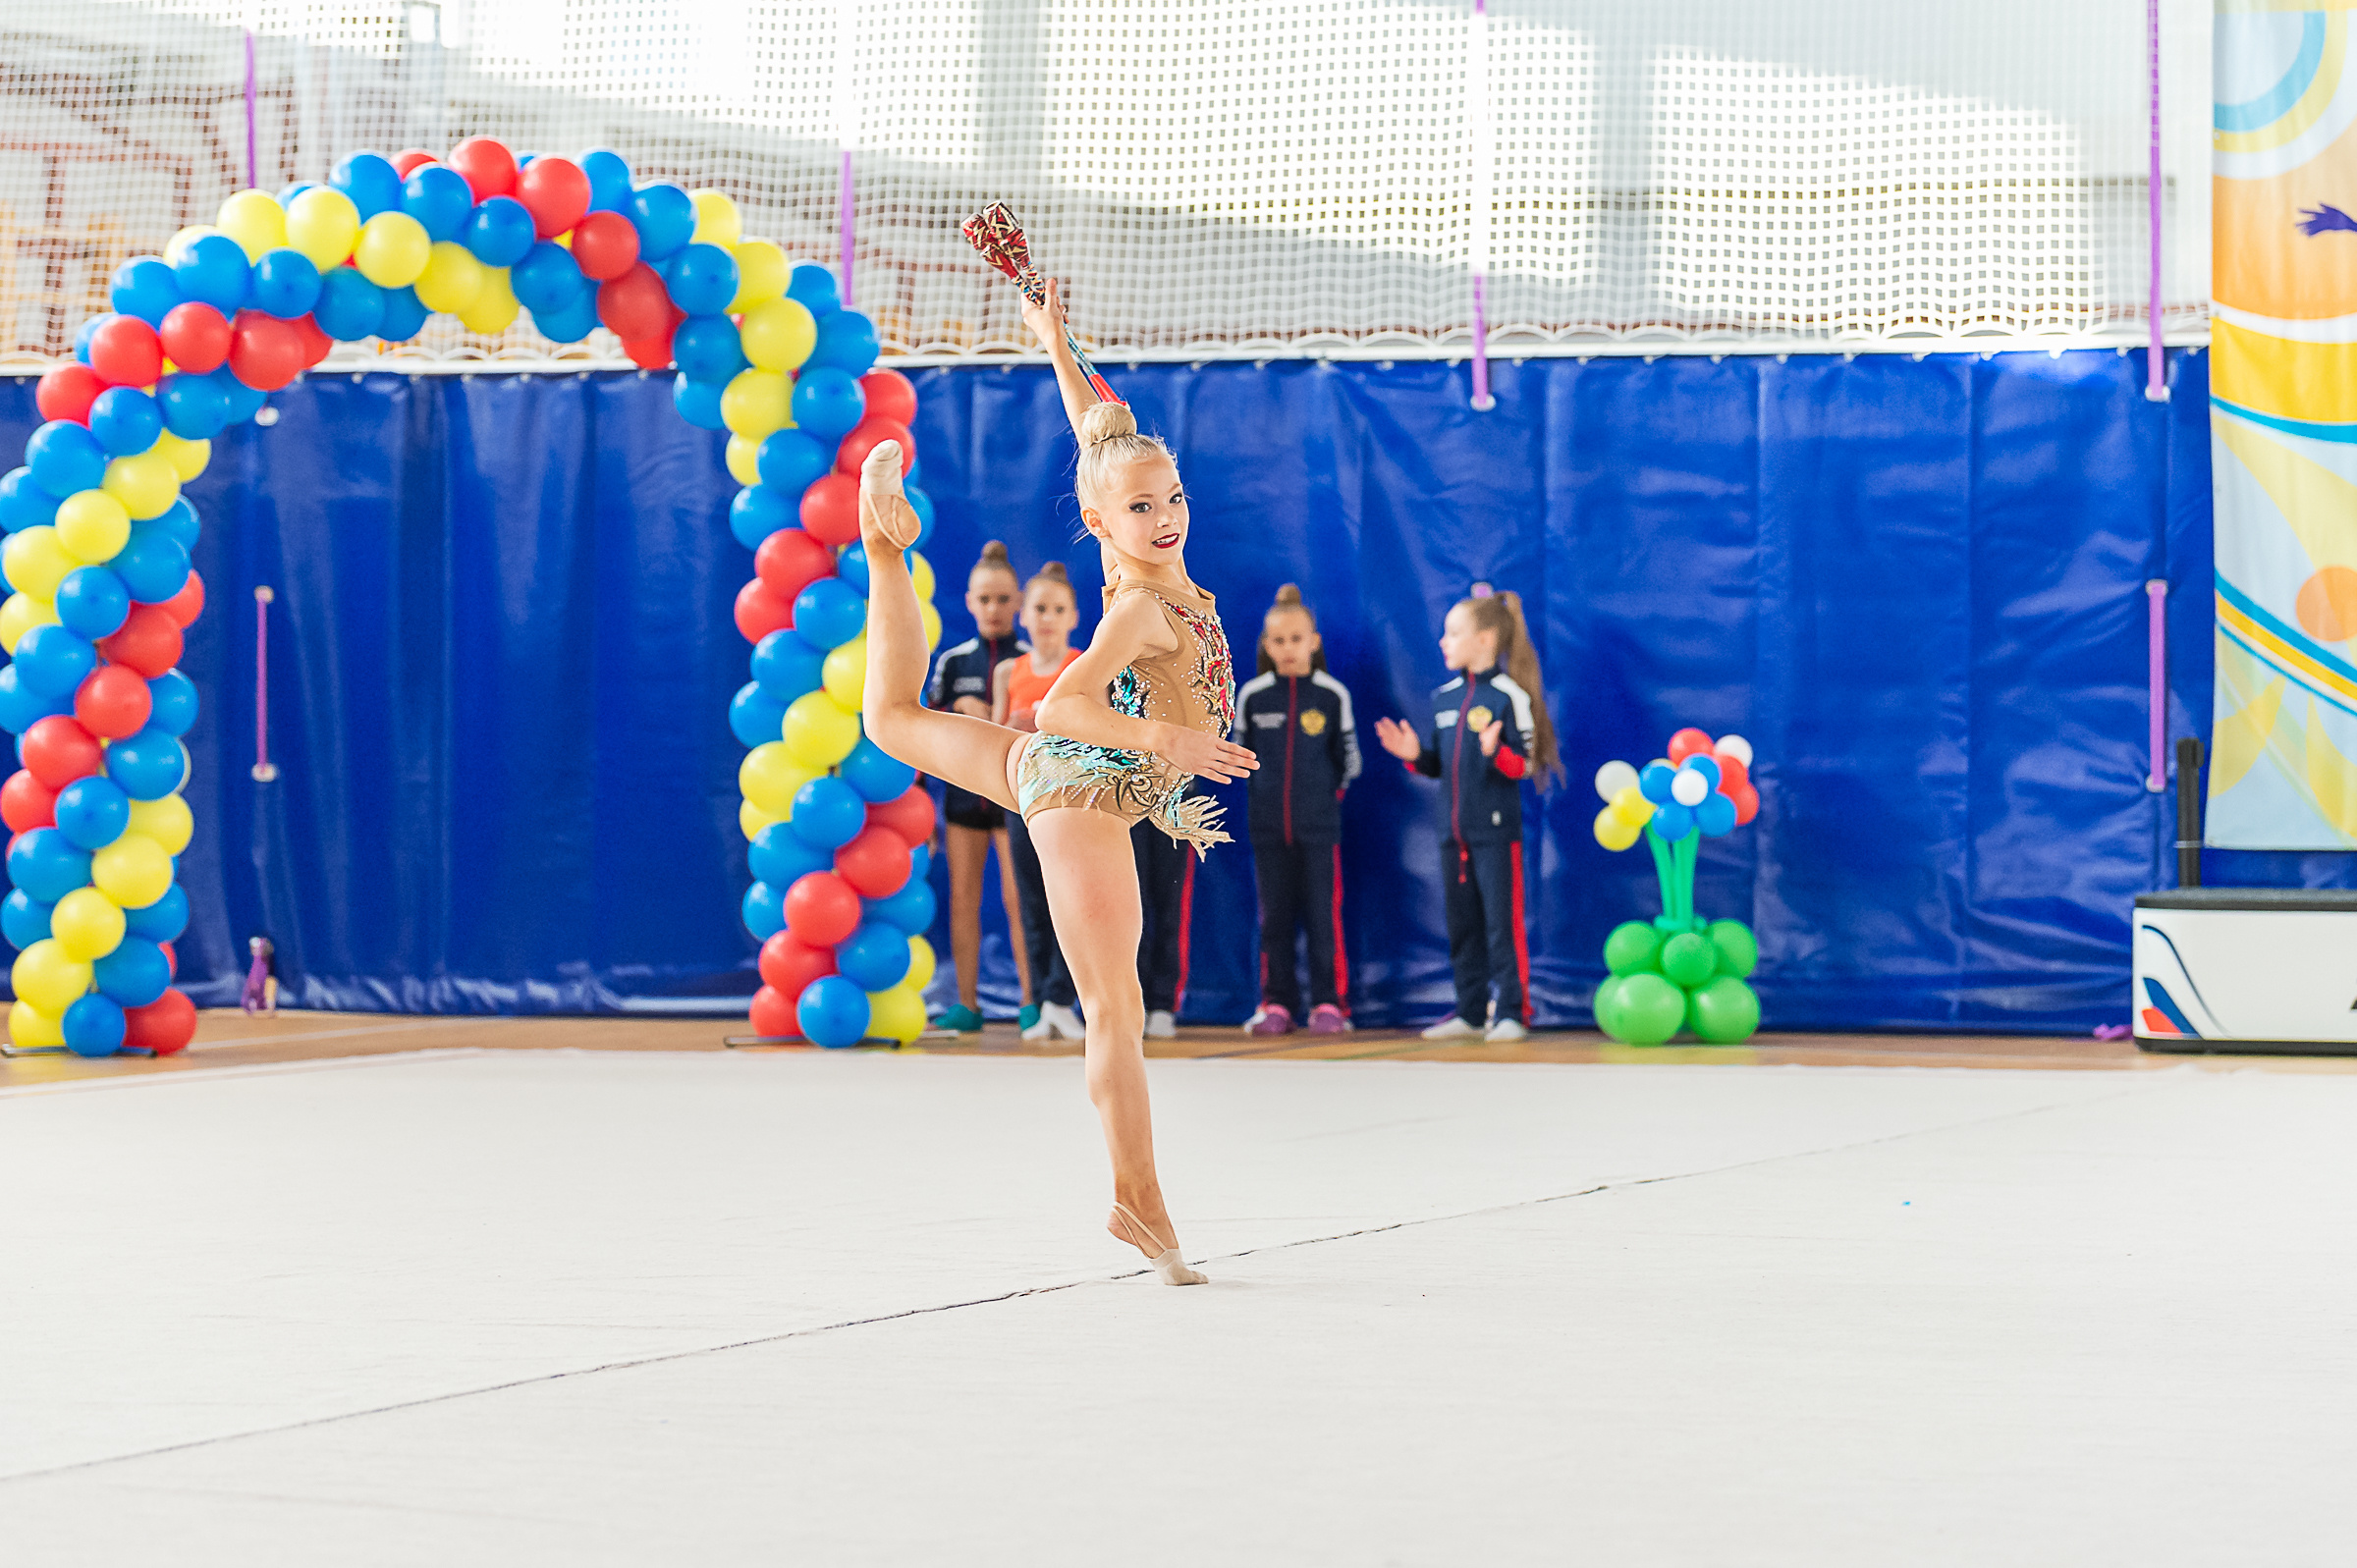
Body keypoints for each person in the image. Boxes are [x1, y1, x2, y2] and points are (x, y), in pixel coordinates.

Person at [855, 276, 1256, 1285]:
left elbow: (1096, 433)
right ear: (1097, 517)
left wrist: (1051, 334)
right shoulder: (1136, 612)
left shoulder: (1140, 570)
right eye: (1140, 506)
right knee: (1113, 1006)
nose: (1164, 515)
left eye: (1172, 497)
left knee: (890, 718)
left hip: (1062, 776)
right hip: (1081, 787)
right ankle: (1139, 1199)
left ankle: (882, 550)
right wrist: (1165, 746)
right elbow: (1062, 707)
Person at [1373, 589, 1561, 1043]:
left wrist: (1498, 753)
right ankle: (1471, 1011)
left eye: (1454, 632)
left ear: (1485, 639)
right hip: (1452, 834)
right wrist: (1414, 754)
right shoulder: (1444, 699)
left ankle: (1513, 1012)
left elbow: (1527, 764)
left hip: (1496, 833)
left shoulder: (1507, 696)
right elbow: (1436, 764)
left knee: (1501, 924)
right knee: (1462, 926)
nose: (1443, 641)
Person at [1234, 584, 1359, 1035]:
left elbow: (1349, 763)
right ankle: (1276, 1003)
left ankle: (1330, 1004)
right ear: (1267, 646)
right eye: (1278, 641)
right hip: (1267, 829)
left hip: (1319, 829)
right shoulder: (1252, 696)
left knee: (1323, 917)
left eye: (1296, 639)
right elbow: (1238, 757)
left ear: (1314, 641)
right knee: (1274, 919)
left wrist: (1321, 800)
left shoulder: (1331, 696)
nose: (1288, 649)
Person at [925, 543, 1032, 1034]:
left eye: (1003, 600)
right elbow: (925, 740)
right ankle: (966, 1003)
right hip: (964, 799)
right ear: (969, 601)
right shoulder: (951, 663)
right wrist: (957, 714)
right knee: (962, 899)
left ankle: (1033, 1000)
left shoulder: (1032, 661)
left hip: (1017, 800)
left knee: (1021, 900)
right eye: (984, 599)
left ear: (1018, 603)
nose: (993, 609)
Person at [993, 561, 1085, 1043]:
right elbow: (993, 738)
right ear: (1024, 617)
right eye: (1040, 609)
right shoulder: (1011, 670)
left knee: (1070, 900)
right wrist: (1016, 726)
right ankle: (1041, 1000)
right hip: (1021, 803)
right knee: (1033, 902)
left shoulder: (1082, 666)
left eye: (1058, 609)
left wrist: (1049, 723)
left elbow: (1097, 737)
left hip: (1069, 803)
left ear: (1073, 617)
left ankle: (1062, 996)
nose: (1048, 618)